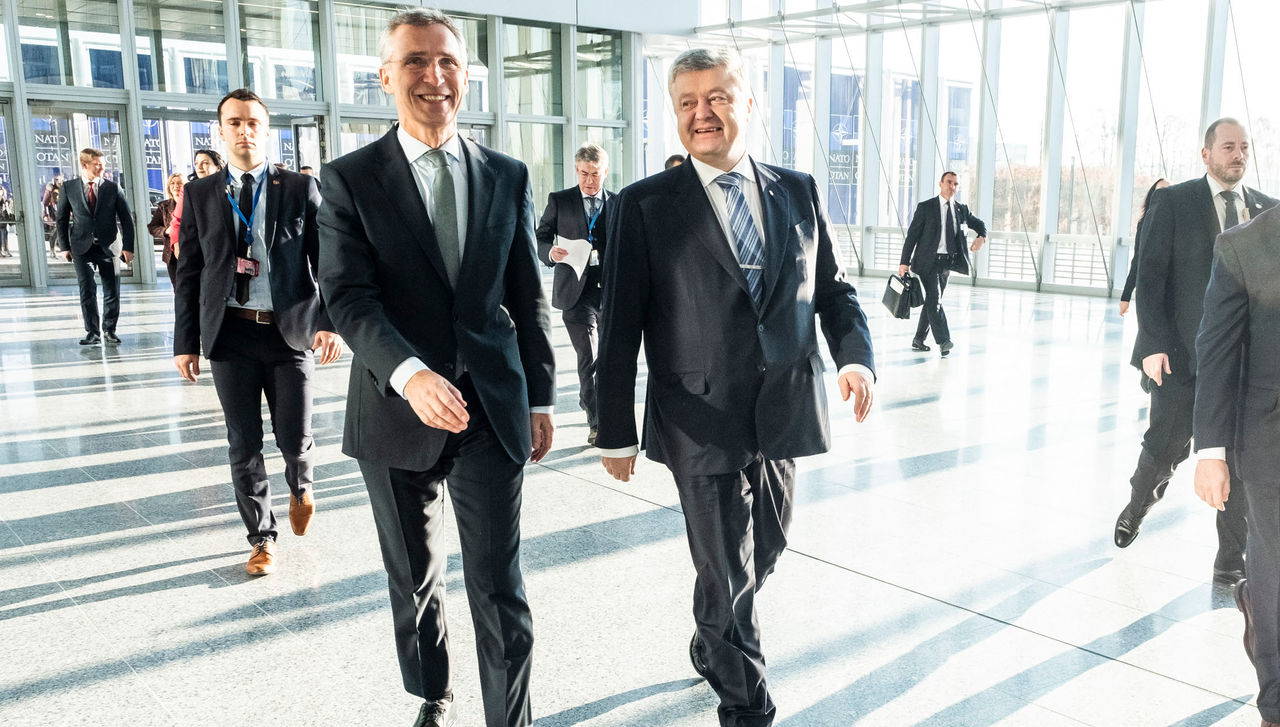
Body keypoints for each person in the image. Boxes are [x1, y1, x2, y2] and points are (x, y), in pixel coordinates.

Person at [595, 48, 875, 727]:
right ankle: (748, 708)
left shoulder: (798, 189)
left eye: (718, 97)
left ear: (748, 103)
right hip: (696, 414)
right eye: (688, 102)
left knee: (767, 550)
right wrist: (614, 427)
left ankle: (709, 636)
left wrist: (856, 358)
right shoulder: (642, 206)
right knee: (729, 575)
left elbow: (831, 289)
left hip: (783, 408)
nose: (703, 113)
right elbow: (619, 324)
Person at [316, 10, 555, 727]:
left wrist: (540, 396)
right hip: (395, 408)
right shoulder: (349, 179)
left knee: (498, 584)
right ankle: (432, 691)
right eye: (415, 61)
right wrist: (410, 373)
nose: (434, 75)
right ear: (386, 76)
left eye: (448, 61)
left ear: (467, 75)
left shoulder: (507, 176)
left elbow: (527, 296)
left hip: (490, 406)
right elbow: (349, 298)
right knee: (414, 578)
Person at [172, 88, 343, 577]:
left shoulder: (297, 188)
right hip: (230, 334)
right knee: (242, 441)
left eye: (253, 123)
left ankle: (301, 485)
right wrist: (186, 343)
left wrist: (328, 324)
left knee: (294, 437)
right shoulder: (201, 193)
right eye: (234, 123)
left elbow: (327, 262)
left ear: (265, 131)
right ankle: (261, 538)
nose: (244, 131)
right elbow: (190, 272)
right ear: (220, 131)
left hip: (288, 333)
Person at [1114, 118, 1277, 587]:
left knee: (1242, 461)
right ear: (1206, 154)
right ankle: (1139, 502)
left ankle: (1231, 557)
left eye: (1244, 147)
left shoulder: (1269, 211)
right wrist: (1153, 344)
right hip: (1181, 358)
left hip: (1246, 367)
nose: (1238, 154)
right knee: (1166, 446)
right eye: (1228, 146)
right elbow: (1151, 276)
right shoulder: (1173, 202)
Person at [1191, 203, 1280, 727]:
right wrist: (1211, 452)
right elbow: (1217, 350)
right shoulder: (1243, 245)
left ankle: (1253, 602)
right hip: (1271, 441)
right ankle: (1275, 703)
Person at [536, 143, 612, 445]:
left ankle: (597, 406)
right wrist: (550, 253)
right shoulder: (561, 200)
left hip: (608, 292)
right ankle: (596, 423)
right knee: (589, 358)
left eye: (595, 175)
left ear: (605, 172)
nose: (589, 182)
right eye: (583, 174)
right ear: (576, 170)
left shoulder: (618, 203)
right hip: (575, 293)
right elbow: (540, 235)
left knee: (610, 360)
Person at [897, 171, 987, 356]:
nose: (952, 186)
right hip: (926, 262)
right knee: (934, 298)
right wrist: (904, 263)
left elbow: (979, 224)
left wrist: (982, 237)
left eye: (955, 184)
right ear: (940, 183)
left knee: (932, 301)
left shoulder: (961, 210)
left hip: (946, 264)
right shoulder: (926, 207)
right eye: (949, 182)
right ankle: (944, 341)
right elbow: (912, 236)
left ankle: (919, 339)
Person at [56, 149, 135, 346]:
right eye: (97, 164)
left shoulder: (113, 187)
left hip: (109, 247)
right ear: (84, 165)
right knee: (87, 290)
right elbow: (62, 219)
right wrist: (64, 247)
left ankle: (109, 330)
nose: (102, 167)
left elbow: (126, 219)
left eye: (103, 163)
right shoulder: (69, 188)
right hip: (81, 247)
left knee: (112, 291)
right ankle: (92, 332)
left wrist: (129, 247)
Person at [1118, 178, 1170, 316]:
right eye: (1161, 190)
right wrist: (1126, 296)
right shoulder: (1145, 223)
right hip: (1151, 287)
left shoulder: (1179, 224)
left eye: (1168, 190)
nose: (1165, 194)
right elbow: (1138, 259)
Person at [169, 149, 225, 260]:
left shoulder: (228, 187)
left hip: (223, 248)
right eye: (196, 163)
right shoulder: (188, 190)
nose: (199, 167)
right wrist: (176, 244)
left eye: (205, 163)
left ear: (218, 167)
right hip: (197, 246)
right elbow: (177, 221)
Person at [148, 172, 184, 284]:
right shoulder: (163, 206)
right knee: (178, 289)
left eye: (179, 183)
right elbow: (152, 227)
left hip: (191, 251)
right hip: (172, 255)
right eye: (172, 183)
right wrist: (166, 231)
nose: (176, 186)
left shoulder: (191, 204)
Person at [43, 172, 63, 258]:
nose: (59, 181)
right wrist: (46, 215)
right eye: (57, 180)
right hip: (54, 213)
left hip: (63, 212)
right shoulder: (51, 190)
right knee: (55, 232)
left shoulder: (63, 188)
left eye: (60, 179)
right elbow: (45, 203)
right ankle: (52, 250)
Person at [0, 187, 13, 257]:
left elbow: (5, 202)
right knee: (2, 232)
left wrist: (7, 201)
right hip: (1, 216)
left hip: (3, 216)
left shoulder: (3, 189)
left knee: (4, 232)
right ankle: (3, 250)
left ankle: (5, 249)